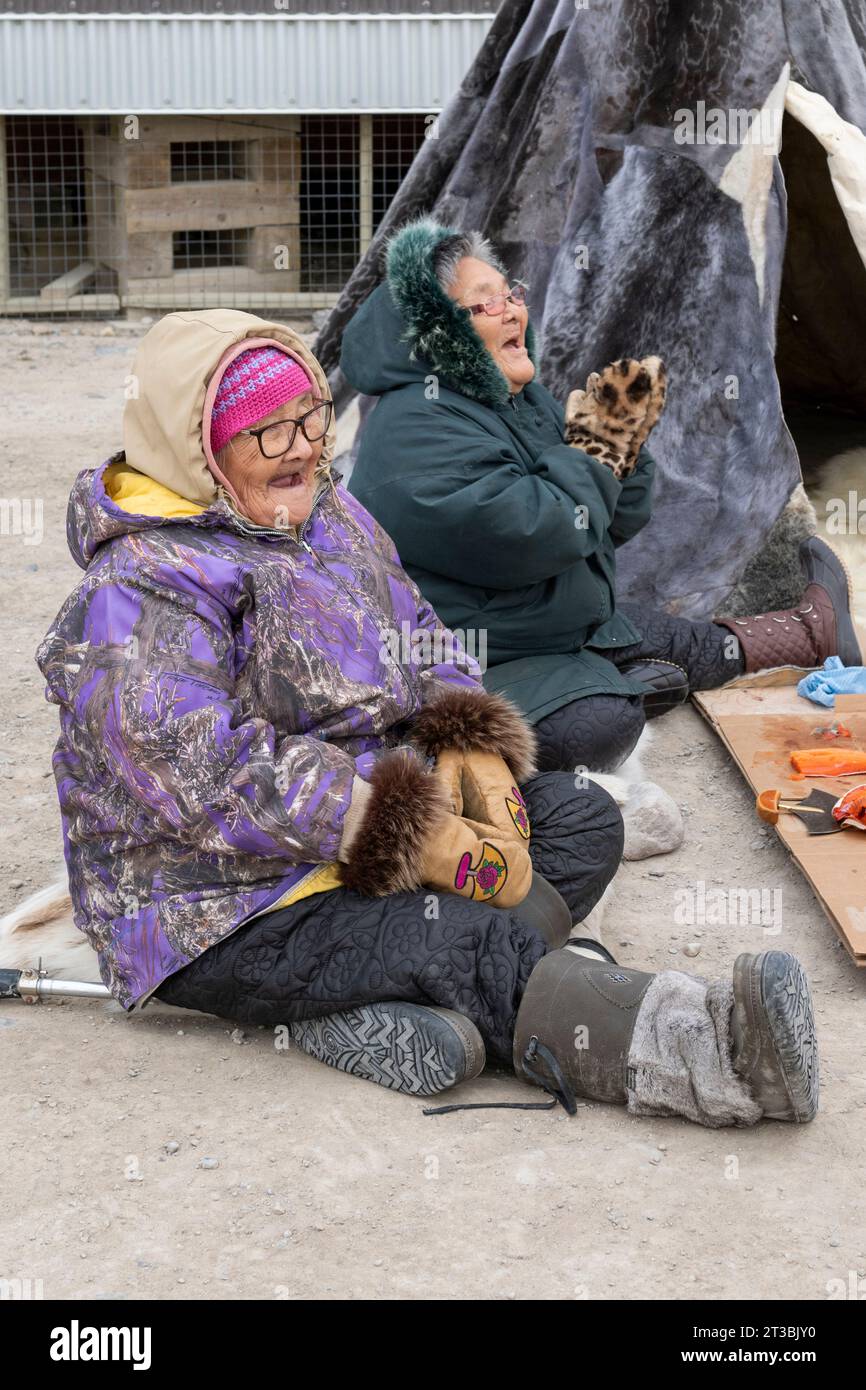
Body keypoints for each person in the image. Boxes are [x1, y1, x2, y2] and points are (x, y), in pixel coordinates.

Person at [34, 308, 818, 1127]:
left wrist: (467, 751)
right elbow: (200, 773)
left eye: (310, 417)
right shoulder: (141, 588)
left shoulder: (328, 517)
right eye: (269, 433)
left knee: (582, 820)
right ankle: (713, 1055)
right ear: (201, 448)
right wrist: (407, 828)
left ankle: (382, 1006)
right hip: (227, 904)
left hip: (376, 837)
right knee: (465, 941)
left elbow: (419, 633)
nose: (303, 446)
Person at [340, 217, 861, 775]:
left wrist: (625, 446)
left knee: (661, 631)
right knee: (598, 725)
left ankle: (810, 632)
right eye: (486, 303)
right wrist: (596, 451)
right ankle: (617, 686)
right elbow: (534, 536)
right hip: (475, 659)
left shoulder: (513, 398)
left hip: (539, 626)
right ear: (439, 331)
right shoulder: (415, 426)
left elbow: (610, 523)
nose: (515, 309)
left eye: (511, 294)